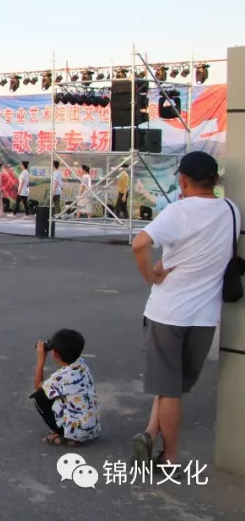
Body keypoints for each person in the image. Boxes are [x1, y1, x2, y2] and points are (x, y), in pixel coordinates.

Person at [130, 151, 239, 469]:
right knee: (174, 387)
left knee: (169, 390)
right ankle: (151, 432)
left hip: (167, 314)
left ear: (182, 180)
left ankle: (170, 457)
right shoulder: (232, 210)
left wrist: (150, 274)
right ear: (216, 180)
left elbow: (139, 244)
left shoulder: (178, 211)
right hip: (204, 319)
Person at [31, 329, 101, 446]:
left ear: (55, 354)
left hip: (78, 432)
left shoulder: (61, 377)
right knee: (54, 393)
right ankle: (73, 432)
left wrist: (41, 358)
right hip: (92, 428)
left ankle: (63, 433)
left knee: (40, 397)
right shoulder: (82, 363)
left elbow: (37, 385)